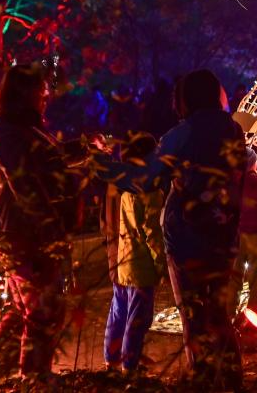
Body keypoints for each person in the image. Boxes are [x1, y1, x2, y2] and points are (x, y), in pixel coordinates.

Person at [105, 69, 247, 391]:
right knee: (218, 313)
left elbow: (145, 179)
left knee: (193, 318)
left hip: (187, 240)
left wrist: (101, 165)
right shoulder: (233, 130)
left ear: (186, 99)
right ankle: (231, 379)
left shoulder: (181, 135)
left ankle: (203, 382)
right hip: (224, 237)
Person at [0, 64, 80, 378]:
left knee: (29, 309)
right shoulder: (9, 135)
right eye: (40, 90)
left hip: (28, 229)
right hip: (21, 231)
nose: (45, 96)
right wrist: (50, 228)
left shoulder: (26, 128)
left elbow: (46, 162)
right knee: (44, 309)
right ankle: (33, 378)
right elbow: (25, 185)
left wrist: (81, 151)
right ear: (23, 94)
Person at [101, 133, 166, 374]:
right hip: (141, 267)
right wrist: (161, 264)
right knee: (138, 318)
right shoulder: (148, 191)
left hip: (122, 261)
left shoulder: (123, 188)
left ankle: (111, 358)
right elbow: (152, 232)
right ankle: (130, 365)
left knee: (119, 311)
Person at [231, 148, 257, 324]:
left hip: (235, 235)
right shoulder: (255, 179)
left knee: (234, 275)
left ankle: (229, 313)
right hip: (256, 234)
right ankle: (254, 314)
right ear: (252, 164)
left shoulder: (230, 181)